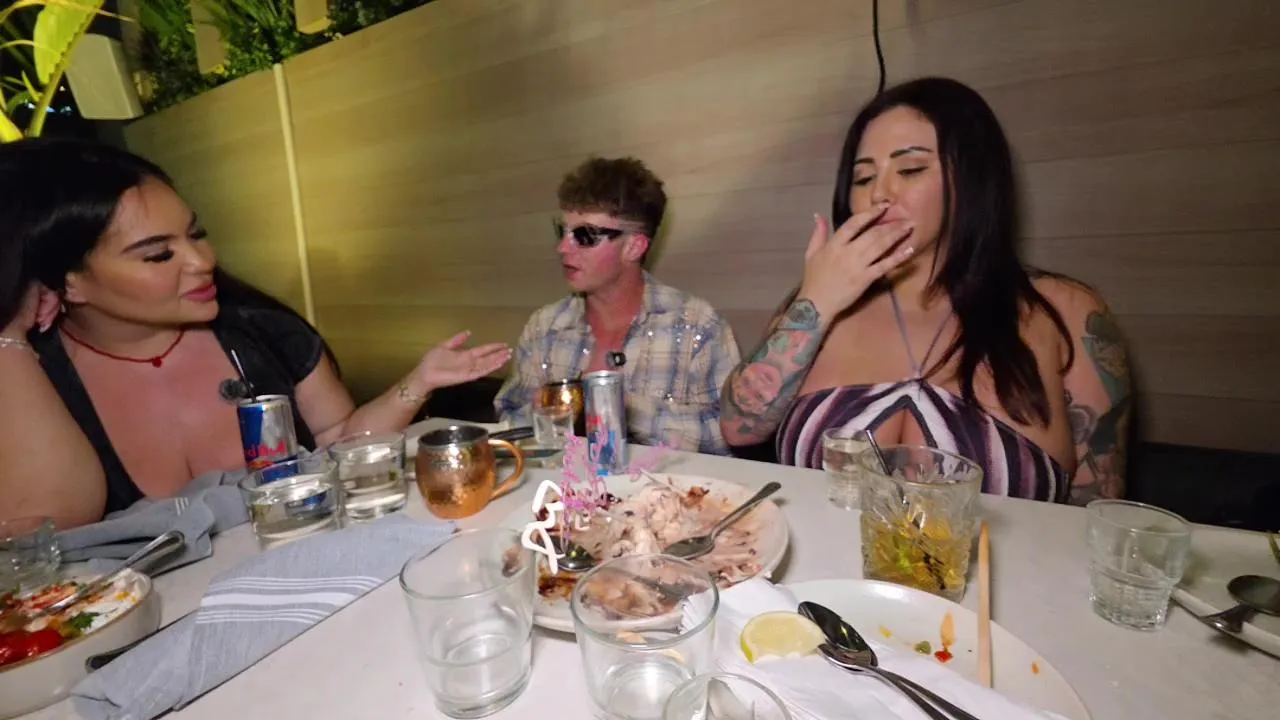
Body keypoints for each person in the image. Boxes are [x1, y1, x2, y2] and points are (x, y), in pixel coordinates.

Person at [0, 138, 511, 528]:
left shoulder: (264, 335)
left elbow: (340, 445)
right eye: (158, 254)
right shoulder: (32, 380)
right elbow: (44, 532)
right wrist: (9, 338)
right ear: (69, 281)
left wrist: (417, 383)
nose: (202, 260)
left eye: (196, 234)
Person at [718, 78, 1132, 505]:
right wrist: (817, 302)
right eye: (863, 177)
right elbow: (737, 428)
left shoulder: (1067, 313)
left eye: (911, 169)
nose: (879, 193)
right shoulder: (815, 304)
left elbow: (1100, 512)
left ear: (972, 177)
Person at [494, 157, 741, 454]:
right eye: (562, 231)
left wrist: (623, 408)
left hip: (658, 484)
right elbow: (507, 416)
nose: (562, 248)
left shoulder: (696, 325)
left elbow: (726, 436)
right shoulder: (544, 327)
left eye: (584, 236)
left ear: (634, 247)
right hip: (563, 482)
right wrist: (541, 413)